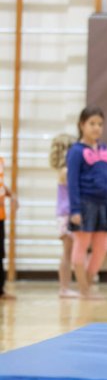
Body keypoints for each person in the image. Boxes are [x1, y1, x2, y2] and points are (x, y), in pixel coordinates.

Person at [67, 106, 107, 300]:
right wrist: (75, 209)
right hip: (85, 204)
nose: (96, 128)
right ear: (82, 125)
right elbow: (72, 182)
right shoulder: (76, 152)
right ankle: (84, 290)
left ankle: (87, 285)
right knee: (81, 246)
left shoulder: (106, 150)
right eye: (92, 124)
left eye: (100, 124)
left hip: (103, 204)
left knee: (102, 247)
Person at [50, 133, 79, 298]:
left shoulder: (66, 170)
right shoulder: (66, 171)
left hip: (66, 213)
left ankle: (66, 286)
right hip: (66, 214)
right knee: (68, 252)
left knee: (70, 252)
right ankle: (64, 287)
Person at [0, 123, 19, 300]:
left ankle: (1, 289)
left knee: (0, 253)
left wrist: (10, 194)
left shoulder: (0, 160)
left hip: (0, 215)